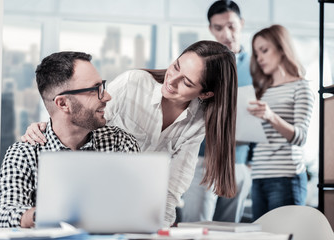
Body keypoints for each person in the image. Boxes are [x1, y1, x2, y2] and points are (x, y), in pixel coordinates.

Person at [20, 40, 238, 227]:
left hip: (139, 208)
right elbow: (84, 114)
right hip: (94, 192)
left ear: (206, 93)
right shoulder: (134, 83)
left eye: (187, 82)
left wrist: (157, 229)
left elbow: (173, 187)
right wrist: (47, 127)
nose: (172, 81)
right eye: (176, 66)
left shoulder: (198, 122)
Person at [0, 51, 140, 228]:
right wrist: (50, 214)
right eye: (95, 90)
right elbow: (3, 215)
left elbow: (136, 213)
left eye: (102, 86)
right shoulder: (24, 153)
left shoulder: (120, 144)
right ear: (63, 104)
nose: (107, 96)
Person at [180, 0, 252, 223]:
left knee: (229, 230)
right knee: (195, 226)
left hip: (238, 161)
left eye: (231, 26)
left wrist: (249, 162)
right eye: (218, 28)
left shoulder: (256, 67)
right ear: (211, 29)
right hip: (203, 159)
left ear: (241, 23)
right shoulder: (202, 64)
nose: (226, 34)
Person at [248, 24, 314, 221]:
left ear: (281, 48)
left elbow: (300, 137)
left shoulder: (300, 86)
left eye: (264, 50)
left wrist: (271, 116)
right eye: (256, 52)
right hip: (258, 177)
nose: (259, 58)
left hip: (286, 178)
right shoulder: (262, 91)